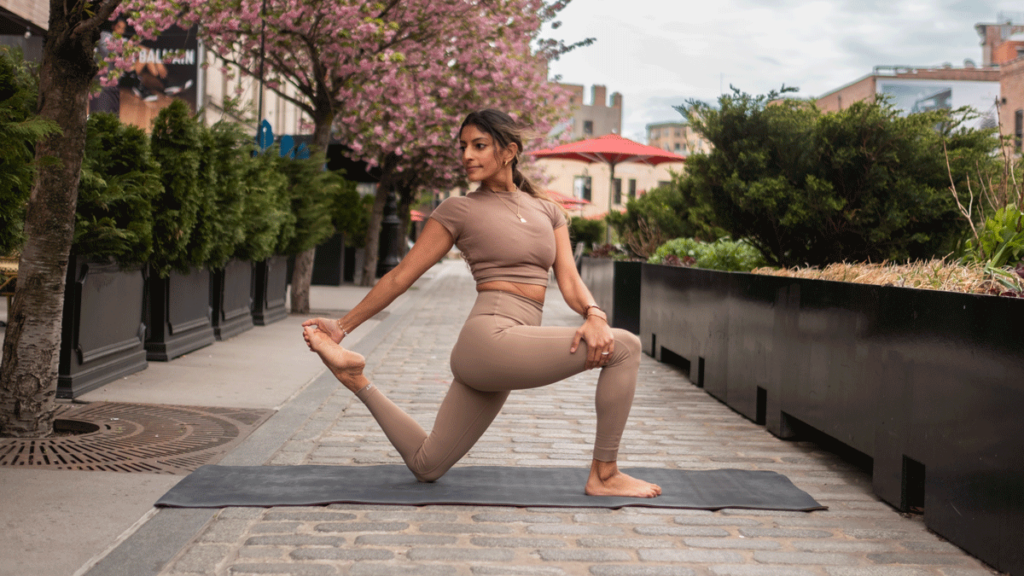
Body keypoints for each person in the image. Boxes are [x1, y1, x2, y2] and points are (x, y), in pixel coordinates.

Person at [302, 109, 661, 498]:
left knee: (428, 465)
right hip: (490, 338)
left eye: (478, 146)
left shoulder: (548, 212)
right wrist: (344, 326)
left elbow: (570, 282)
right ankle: (605, 475)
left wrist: (594, 315)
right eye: (463, 147)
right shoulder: (459, 210)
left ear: (508, 152)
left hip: (511, 345)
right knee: (626, 347)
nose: (467, 156)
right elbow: (401, 276)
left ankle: (355, 378)